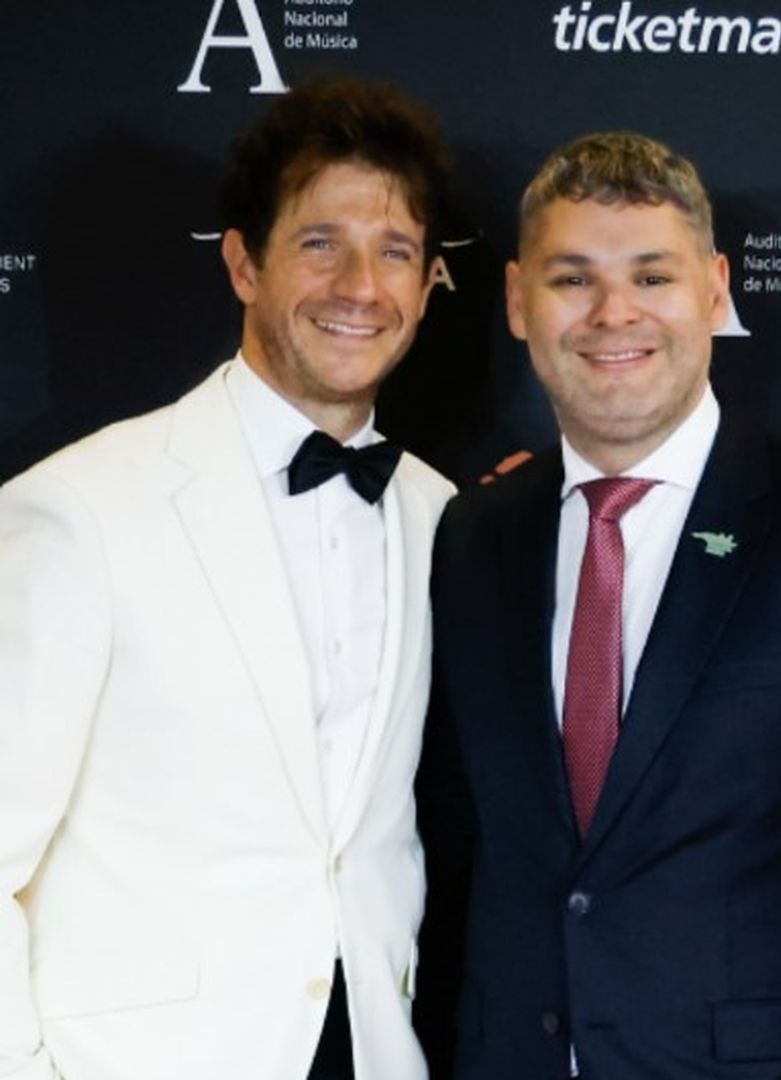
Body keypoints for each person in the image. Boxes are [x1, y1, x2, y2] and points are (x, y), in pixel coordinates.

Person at [414, 132, 781, 1079]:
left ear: (715, 290)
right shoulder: (472, 537)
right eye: (572, 279)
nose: (613, 313)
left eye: (652, 277)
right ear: (515, 301)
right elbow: (453, 855)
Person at [0, 79, 455, 1080]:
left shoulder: (442, 518)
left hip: (371, 1050)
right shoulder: (79, 509)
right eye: (320, 242)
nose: (360, 286)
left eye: (395, 252)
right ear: (245, 263)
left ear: (428, 288)